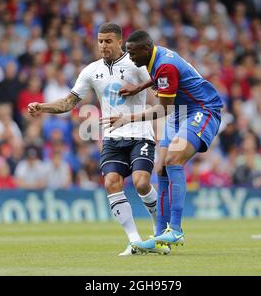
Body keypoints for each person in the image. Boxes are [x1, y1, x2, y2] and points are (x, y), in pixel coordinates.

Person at [27, 23, 169, 256]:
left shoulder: (137, 64)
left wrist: (149, 92)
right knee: (111, 182)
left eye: (108, 41)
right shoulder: (91, 71)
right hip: (112, 138)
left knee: (142, 182)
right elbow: (68, 103)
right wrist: (41, 107)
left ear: (119, 41)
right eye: (100, 41)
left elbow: (160, 84)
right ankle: (134, 241)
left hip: (140, 134)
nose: (103, 45)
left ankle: (159, 231)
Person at [101, 30, 223, 254]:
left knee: (174, 159)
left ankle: (175, 229)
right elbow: (160, 79)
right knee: (161, 168)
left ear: (146, 49)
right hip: (180, 112)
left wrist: (127, 118)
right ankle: (160, 237)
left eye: (133, 53)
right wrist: (139, 88)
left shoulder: (164, 64)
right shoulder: (155, 57)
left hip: (202, 108)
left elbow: (162, 108)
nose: (130, 58)